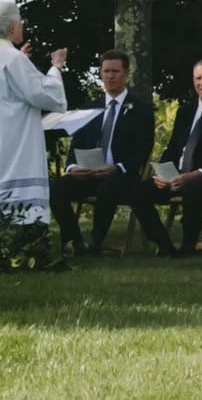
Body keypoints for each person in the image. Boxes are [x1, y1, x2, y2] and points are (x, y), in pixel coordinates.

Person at [0, 1, 68, 230]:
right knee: (15, 189)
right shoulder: (13, 58)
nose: (21, 26)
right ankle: (25, 232)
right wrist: (56, 67)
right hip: (13, 140)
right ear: (11, 28)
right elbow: (43, 93)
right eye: (19, 22)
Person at [130, 58, 202, 257]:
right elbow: (173, 147)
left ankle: (188, 246)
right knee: (137, 191)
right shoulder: (186, 111)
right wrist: (162, 173)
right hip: (176, 176)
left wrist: (194, 175)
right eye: (198, 78)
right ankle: (164, 245)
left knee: (192, 189)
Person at [50, 50, 155, 256]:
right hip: (88, 174)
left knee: (108, 187)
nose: (110, 76)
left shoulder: (141, 110)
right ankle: (75, 241)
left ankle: (95, 244)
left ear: (126, 73)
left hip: (120, 175)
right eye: (106, 71)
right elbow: (75, 146)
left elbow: (142, 149)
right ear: (100, 73)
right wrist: (72, 167)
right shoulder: (89, 109)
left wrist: (117, 167)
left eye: (115, 71)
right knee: (57, 187)